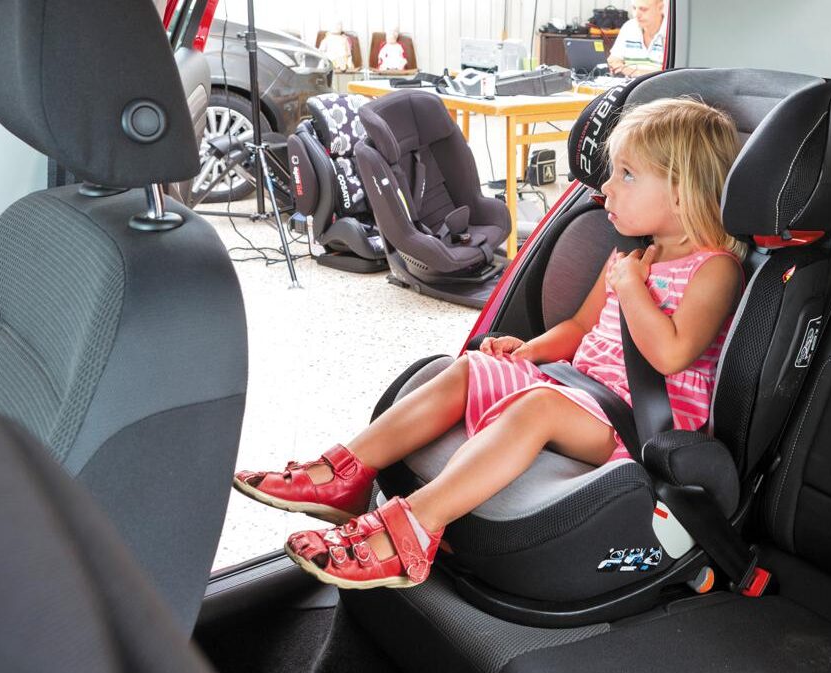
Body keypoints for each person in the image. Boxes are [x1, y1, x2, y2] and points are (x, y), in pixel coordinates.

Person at [233, 98, 747, 590]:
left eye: (626, 175)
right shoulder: (630, 258)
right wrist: (528, 353)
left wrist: (633, 290)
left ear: (682, 190)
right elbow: (578, 330)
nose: (605, 189)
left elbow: (670, 354)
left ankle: (412, 531)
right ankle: (342, 474)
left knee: (538, 405)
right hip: (581, 392)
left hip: (640, 422)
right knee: (469, 369)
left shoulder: (714, 268)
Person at [606, 0, 666, 77]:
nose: (636, 15)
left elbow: (671, 73)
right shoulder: (629, 26)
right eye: (634, 8)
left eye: (643, 9)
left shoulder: (673, 33)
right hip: (629, 87)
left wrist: (633, 72)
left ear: (660, 8)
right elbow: (613, 60)